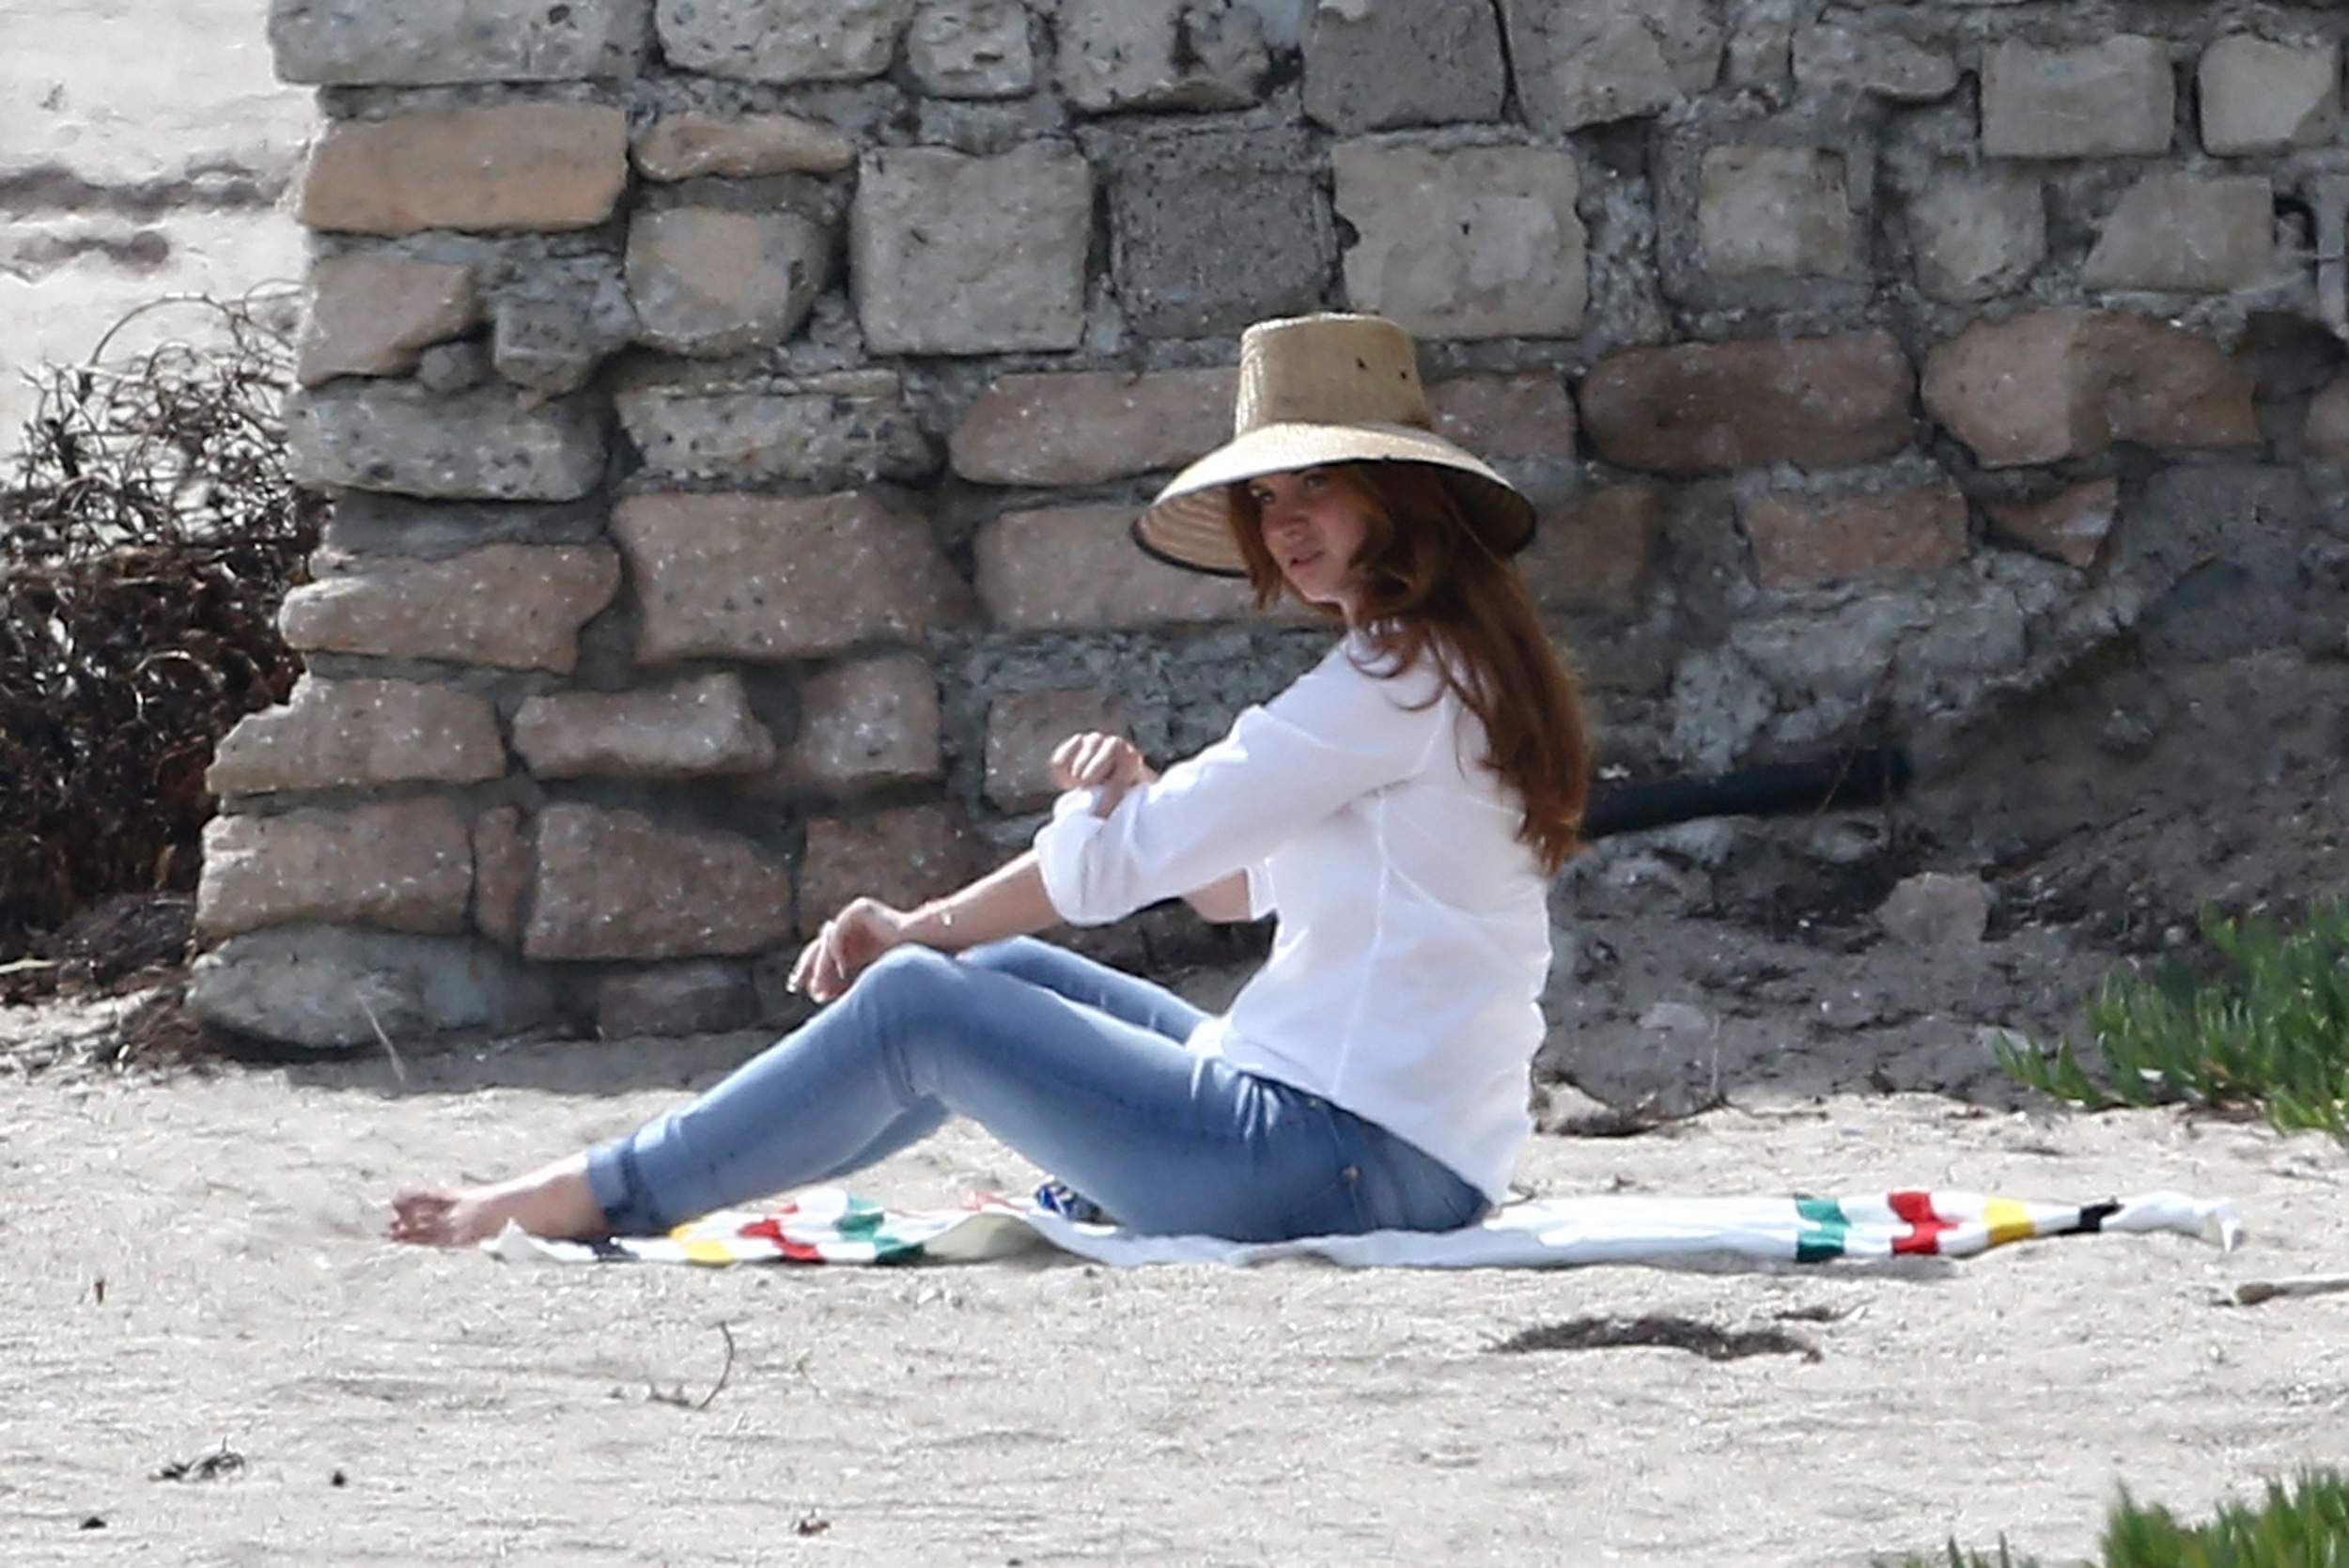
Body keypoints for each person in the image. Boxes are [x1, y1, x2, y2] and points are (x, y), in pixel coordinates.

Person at [389, 313, 1591, 1249]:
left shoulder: (1389, 682)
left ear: (1398, 490)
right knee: (996, 969)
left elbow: (1109, 875)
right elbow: (1233, 890)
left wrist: (948, 904)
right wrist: (1131, 806)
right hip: (1396, 1154)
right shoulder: (1449, 668)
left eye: (1315, 484)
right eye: (1267, 495)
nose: (1282, 521)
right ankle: (664, 1174)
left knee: (921, 998)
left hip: (1342, 1164)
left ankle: (602, 1190)